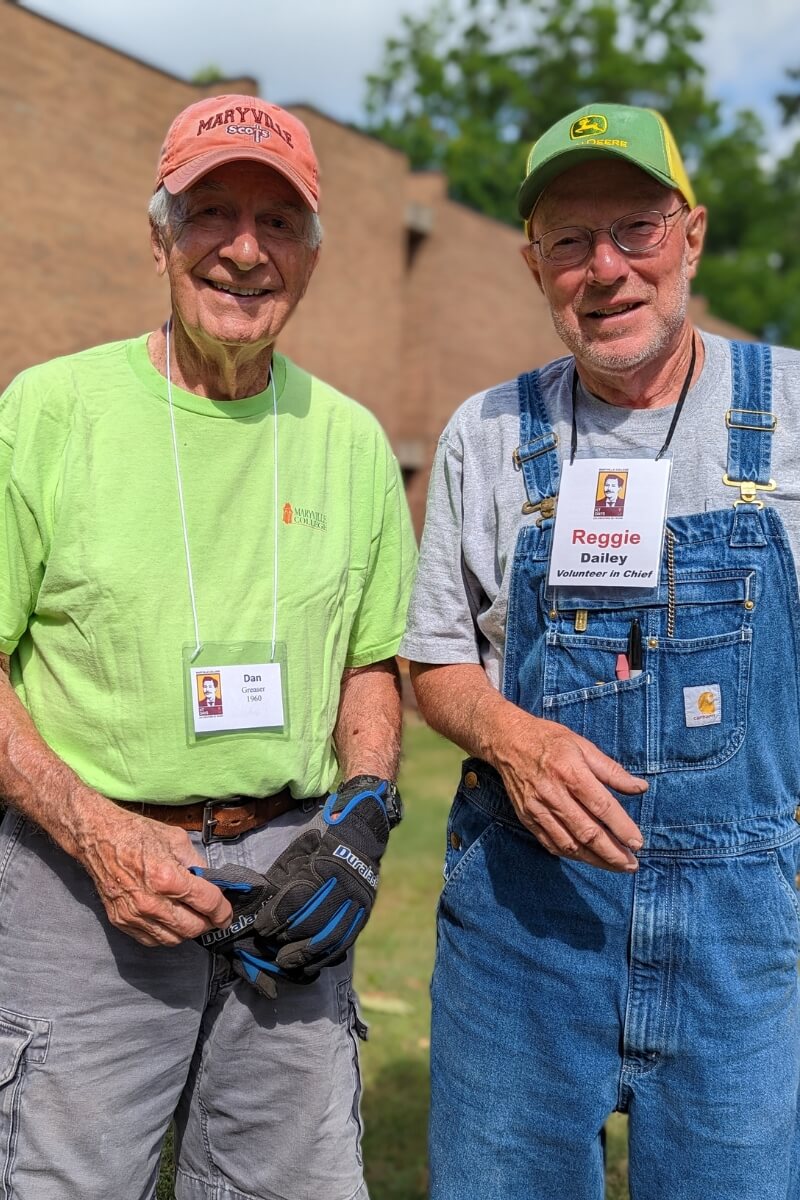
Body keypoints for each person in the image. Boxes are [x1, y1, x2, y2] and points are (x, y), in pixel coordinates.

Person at [0, 93, 415, 1200]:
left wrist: (363, 814)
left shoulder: (351, 440)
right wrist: (98, 836)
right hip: (79, 879)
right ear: (158, 238)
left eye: (278, 222)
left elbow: (372, 661)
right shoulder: (47, 413)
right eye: (211, 212)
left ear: (312, 255)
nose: (244, 249)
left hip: (290, 880)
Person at [400, 102, 800, 1200]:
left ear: (693, 234)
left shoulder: (792, 407)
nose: (605, 270)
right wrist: (508, 737)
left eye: (635, 230)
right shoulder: (488, 432)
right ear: (532, 264)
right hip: (525, 928)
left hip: (740, 934)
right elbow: (431, 655)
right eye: (569, 242)